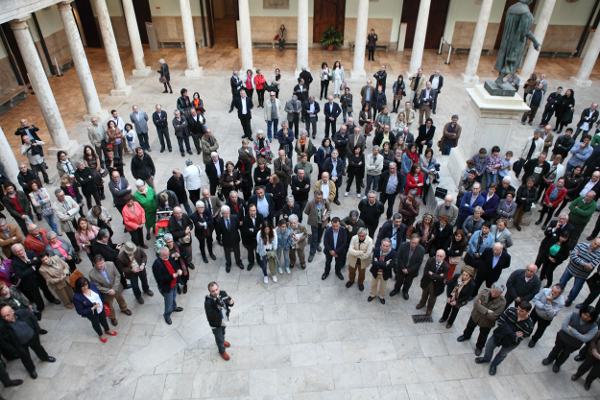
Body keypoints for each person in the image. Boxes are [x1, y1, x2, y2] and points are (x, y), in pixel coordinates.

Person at [475, 302, 534, 375]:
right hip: (499, 334)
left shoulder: (529, 325)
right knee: (489, 346)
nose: (518, 311)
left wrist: (507, 327)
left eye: (521, 311)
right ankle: (486, 358)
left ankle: (494, 364)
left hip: (511, 342)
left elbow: (519, 338)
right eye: (518, 309)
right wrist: (513, 333)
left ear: (528, 312)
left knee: (502, 354)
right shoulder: (511, 310)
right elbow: (500, 322)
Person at [0, 305, 56, 379]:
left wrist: (36, 330)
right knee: (25, 357)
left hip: (32, 336)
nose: (6, 318)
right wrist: (14, 349)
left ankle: (45, 357)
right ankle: (31, 369)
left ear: (12, 311)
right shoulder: (3, 326)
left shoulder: (22, 313)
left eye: (7, 315)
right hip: (20, 344)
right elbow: (3, 341)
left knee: (38, 348)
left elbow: (33, 318)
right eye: (3, 316)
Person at [543, 305, 599, 373]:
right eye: (585, 314)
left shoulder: (594, 327)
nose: (585, 317)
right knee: (556, 349)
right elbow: (564, 327)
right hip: (562, 338)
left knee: (565, 354)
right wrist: (580, 335)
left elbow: (585, 339)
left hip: (574, 344)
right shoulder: (572, 315)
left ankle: (558, 364)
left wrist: (572, 329)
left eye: (589, 316)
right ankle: (550, 358)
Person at [457, 282, 506, 356]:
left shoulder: (502, 302)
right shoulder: (484, 291)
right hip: (475, 315)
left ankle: (479, 347)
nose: (493, 294)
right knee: (469, 327)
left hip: (487, 322)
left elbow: (494, 316)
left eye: (496, 293)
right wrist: (487, 311)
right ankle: (466, 336)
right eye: (493, 291)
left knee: (483, 335)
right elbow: (475, 304)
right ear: (491, 288)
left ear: (501, 293)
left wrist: (480, 308)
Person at [73, 277, 117, 343]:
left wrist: (102, 304)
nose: (85, 287)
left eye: (86, 285)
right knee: (96, 323)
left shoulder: (91, 285)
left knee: (103, 320)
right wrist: (92, 308)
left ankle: (107, 329)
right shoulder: (77, 297)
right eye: (82, 286)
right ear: (79, 287)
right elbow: (80, 311)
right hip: (92, 313)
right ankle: (100, 334)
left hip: (101, 309)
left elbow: (99, 295)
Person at [152, 246, 183, 325]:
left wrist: (178, 269)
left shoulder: (168, 257)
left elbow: (174, 264)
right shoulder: (156, 265)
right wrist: (172, 276)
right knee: (168, 302)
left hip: (174, 283)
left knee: (174, 297)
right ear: (160, 255)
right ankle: (167, 315)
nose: (167, 256)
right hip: (167, 286)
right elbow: (160, 278)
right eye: (165, 255)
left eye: (168, 254)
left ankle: (174, 307)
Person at [389, 234, 425, 300]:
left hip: (411, 271)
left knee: (408, 282)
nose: (413, 244)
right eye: (412, 242)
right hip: (402, 268)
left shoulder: (421, 250)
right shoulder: (403, 245)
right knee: (399, 280)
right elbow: (398, 257)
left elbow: (419, 263)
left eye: (416, 243)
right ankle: (396, 290)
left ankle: (405, 292)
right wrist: (403, 268)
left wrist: (409, 270)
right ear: (410, 240)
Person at [205, 282, 234, 361]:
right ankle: (222, 350)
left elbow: (228, 302)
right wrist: (218, 309)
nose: (216, 292)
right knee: (219, 337)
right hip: (216, 324)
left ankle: (223, 340)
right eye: (213, 291)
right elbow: (210, 317)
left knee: (223, 332)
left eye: (216, 289)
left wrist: (231, 303)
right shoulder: (208, 303)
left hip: (224, 319)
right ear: (210, 292)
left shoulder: (223, 293)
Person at [416, 249, 449, 315]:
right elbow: (426, 272)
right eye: (438, 256)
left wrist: (432, 274)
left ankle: (429, 308)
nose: (439, 258)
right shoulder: (430, 260)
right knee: (424, 294)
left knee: (433, 297)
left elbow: (442, 278)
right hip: (427, 281)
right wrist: (437, 276)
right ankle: (422, 303)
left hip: (437, 285)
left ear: (444, 257)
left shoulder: (446, 267)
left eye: (441, 256)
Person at [305, 191, 331, 263]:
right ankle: (312, 253)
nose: (319, 199)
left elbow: (329, 210)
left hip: (322, 223)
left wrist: (326, 216)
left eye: (320, 198)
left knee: (320, 236)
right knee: (314, 238)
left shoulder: (325, 202)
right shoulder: (310, 203)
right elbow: (306, 211)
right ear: (315, 197)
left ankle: (318, 244)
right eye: (317, 198)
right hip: (314, 223)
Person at [216, 206, 244, 272]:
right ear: (222, 214)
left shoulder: (235, 217)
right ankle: (228, 264)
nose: (227, 215)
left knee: (237, 251)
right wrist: (219, 239)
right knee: (227, 253)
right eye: (225, 214)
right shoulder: (219, 221)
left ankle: (238, 262)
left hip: (235, 238)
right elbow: (218, 231)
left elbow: (238, 227)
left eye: (228, 213)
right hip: (226, 240)